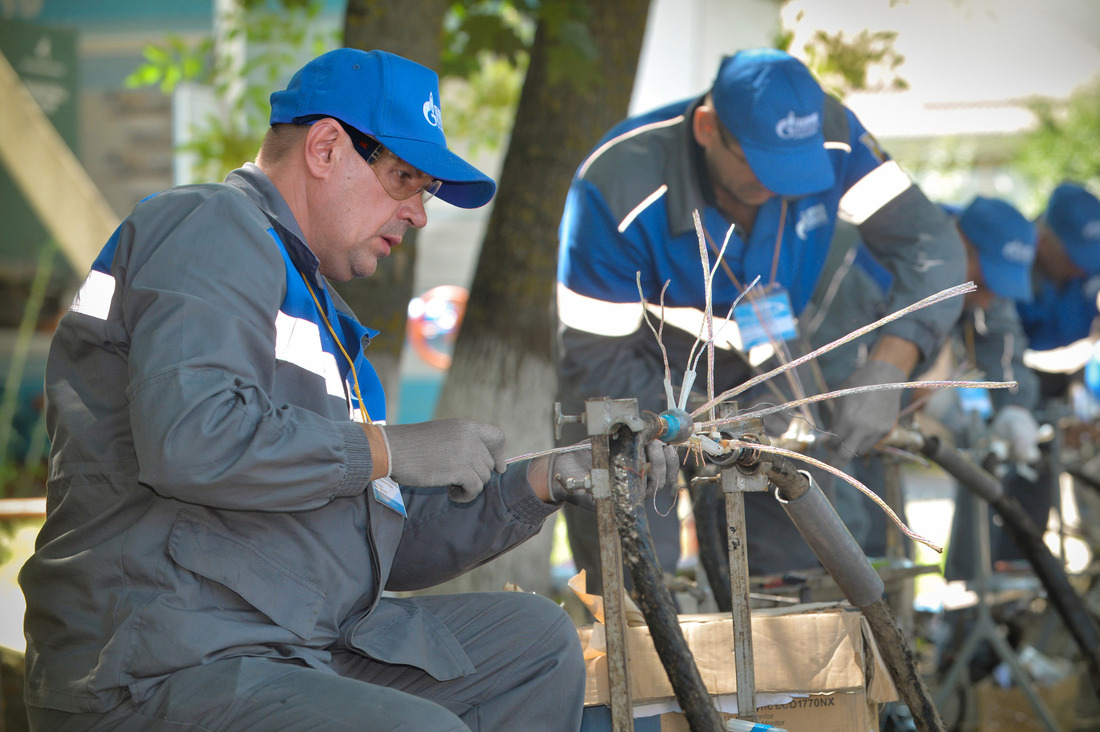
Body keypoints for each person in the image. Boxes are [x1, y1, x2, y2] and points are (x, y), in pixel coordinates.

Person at [18, 48, 679, 732]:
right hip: (157, 668)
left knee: (534, 643)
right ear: (327, 148)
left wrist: (542, 480)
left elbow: (384, 546)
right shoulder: (211, 225)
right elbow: (193, 438)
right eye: (405, 180)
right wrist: (386, 449)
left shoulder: (325, 323)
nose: (419, 213)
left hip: (289, 650)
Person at [554, 47, 964, 587]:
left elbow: (930, 246)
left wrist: (893, 360)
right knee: (635, 578)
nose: (774, 186)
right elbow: (596, 362)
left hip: (774, 359)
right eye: (757, 166)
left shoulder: (835, 136)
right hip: (643, 376)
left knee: (803, 569)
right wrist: (704, 425)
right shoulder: (616, 186)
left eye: (793, 170)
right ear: (706, 128)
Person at [807, 196, 1042, 564]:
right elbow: (831, 376)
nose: (988, 298)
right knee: (843, 529)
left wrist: (1014, 406)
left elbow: (997, 334)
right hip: (821, 407)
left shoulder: (979, 275)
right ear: (960, 244)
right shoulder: (865, 262)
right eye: (986, 283)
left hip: (882, 411)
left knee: (888, 545)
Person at [1017, 182, 1100, 354]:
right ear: (1043, 239)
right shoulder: (1010, 271)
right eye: (1075, 257)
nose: (1083, 269)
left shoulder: (1090, 269)